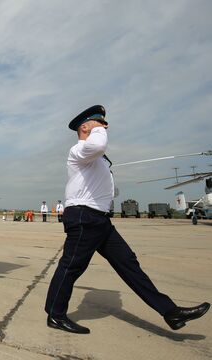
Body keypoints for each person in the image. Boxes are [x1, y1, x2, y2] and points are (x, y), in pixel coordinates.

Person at [44, 105, 209, 334]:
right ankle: (55, 314)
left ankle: (169, 311)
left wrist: (98, 126)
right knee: (72, 266)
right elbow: (99, 143)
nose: (105, 126)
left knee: (129, 264)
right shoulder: (79, 150)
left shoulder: (95, 157)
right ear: (85, 127)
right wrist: (98, 129)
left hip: (99, 220)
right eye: (99, 122)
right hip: (84, 216)